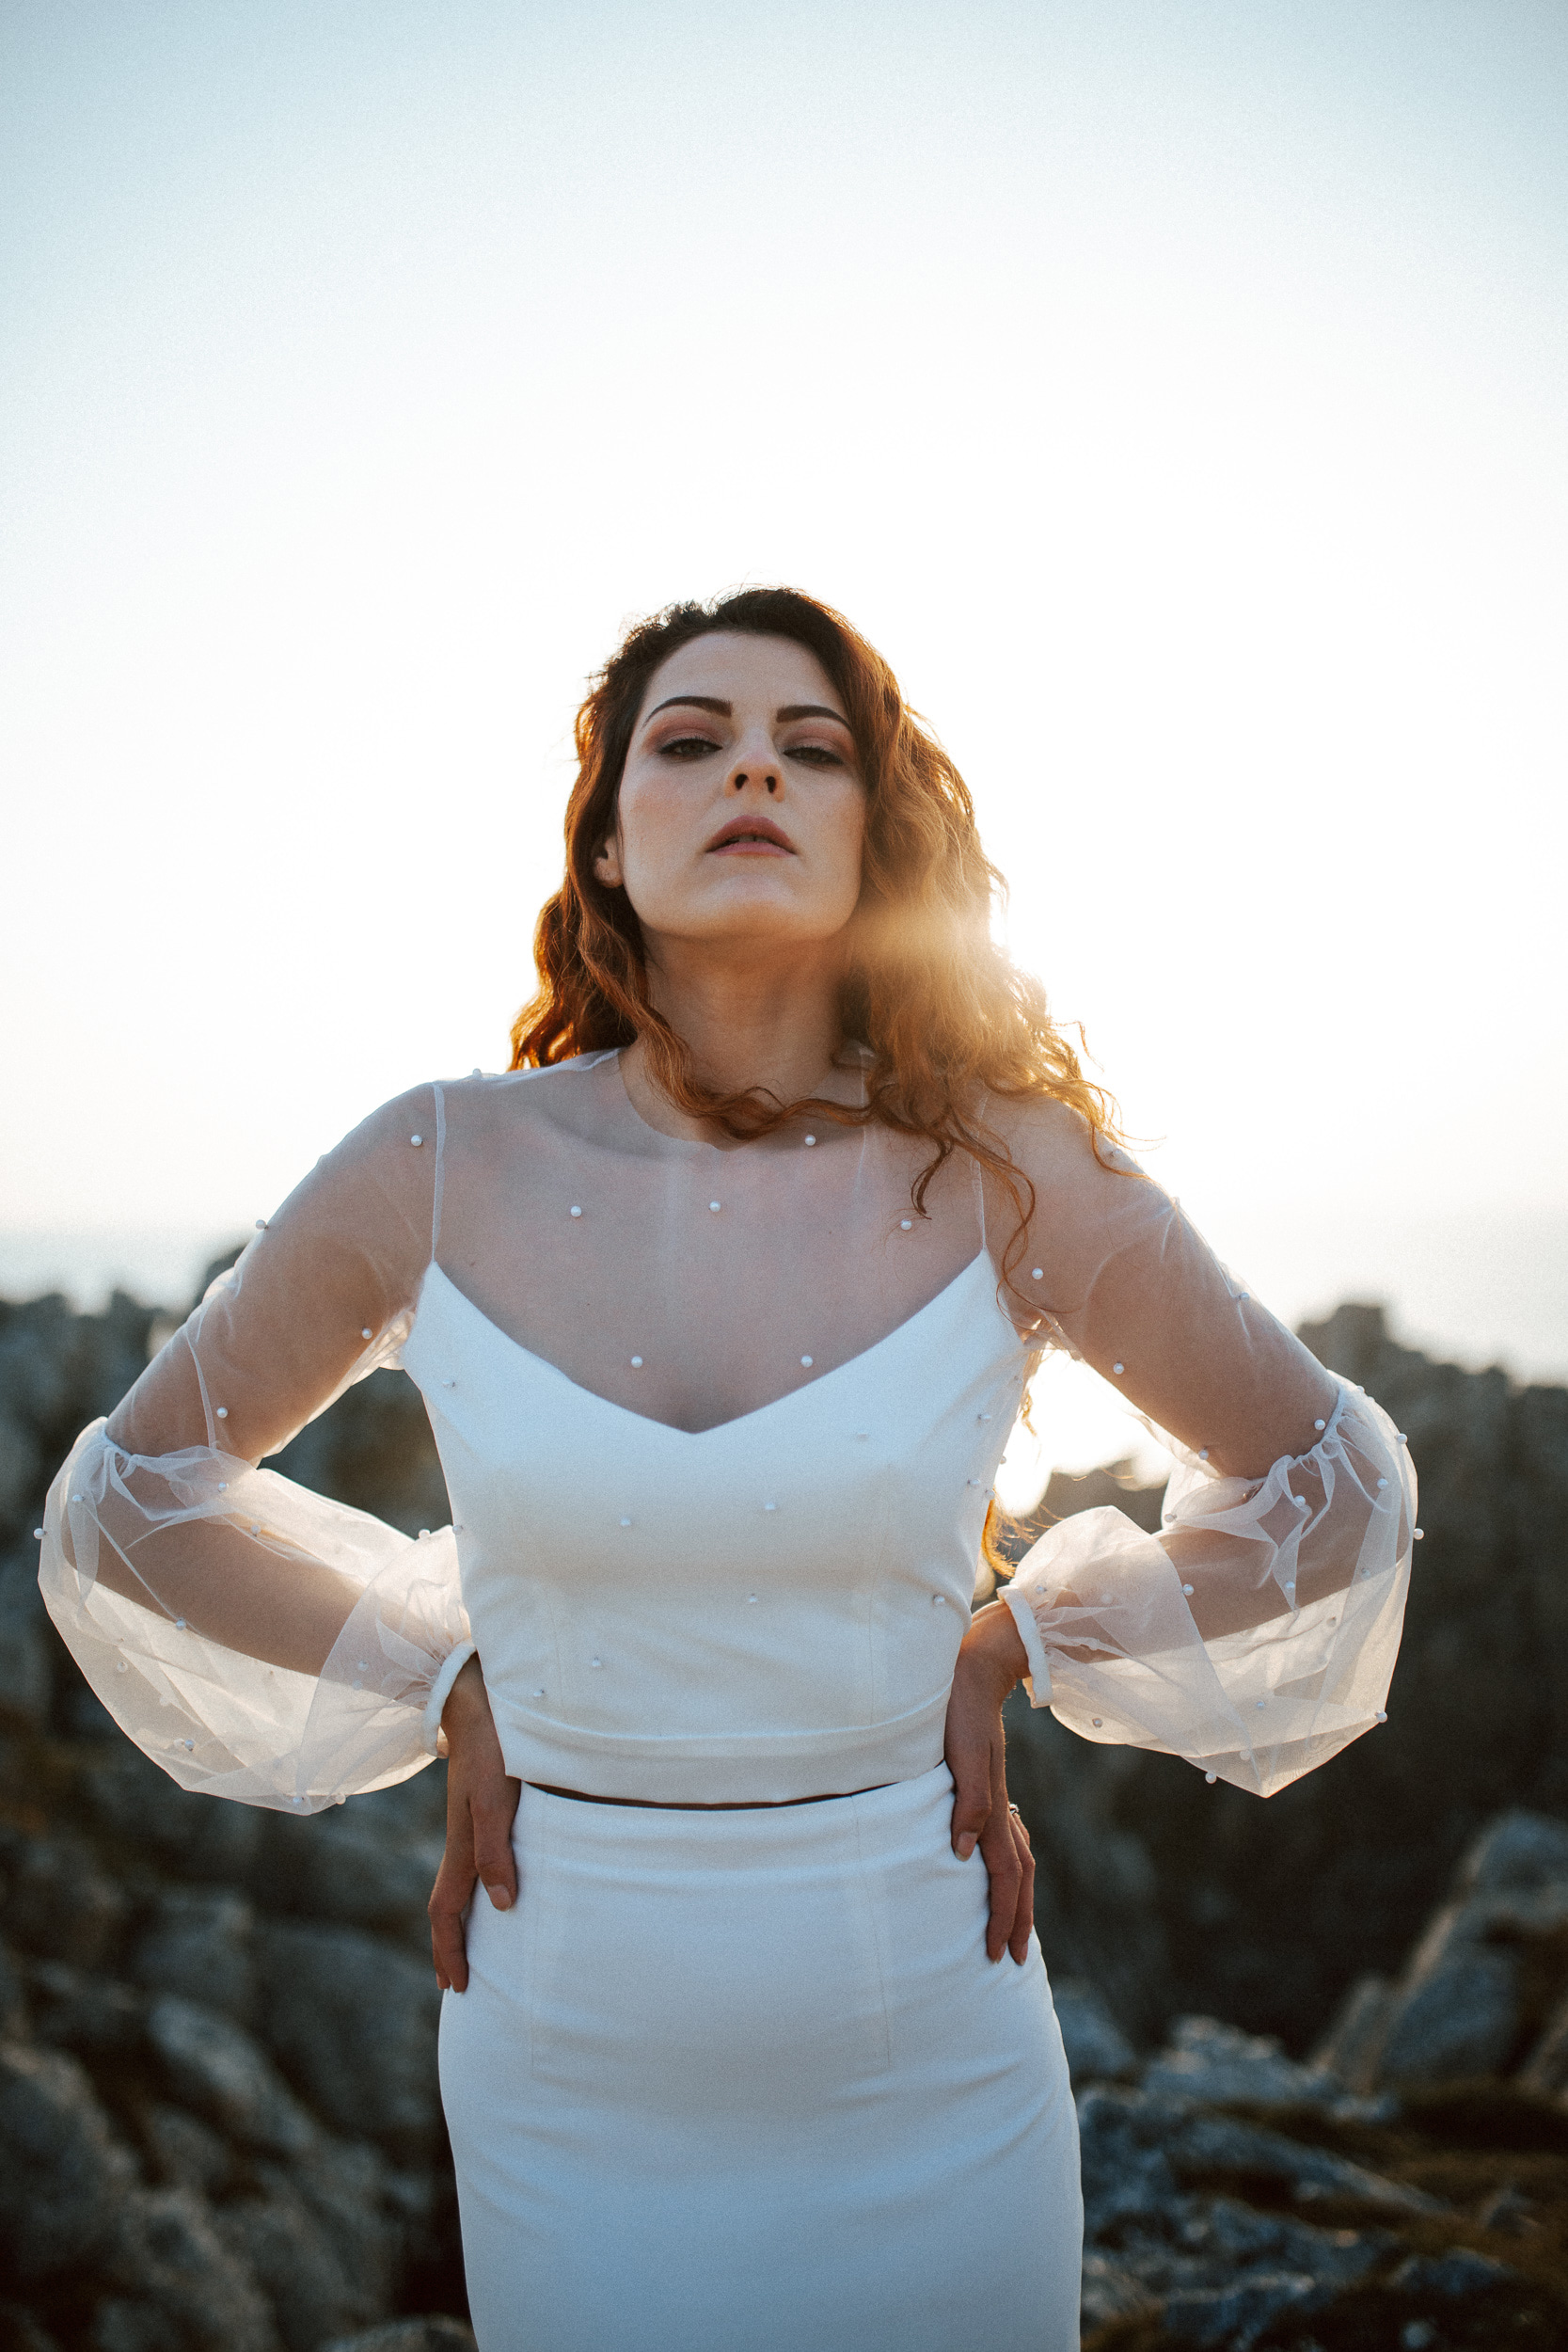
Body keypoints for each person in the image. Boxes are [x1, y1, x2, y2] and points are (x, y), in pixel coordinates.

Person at [38, 587, 1418, 2352]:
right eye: (689, 743)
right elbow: (127, 1509)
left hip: (929, 2040)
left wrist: (1023, 1645)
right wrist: (444, 1676)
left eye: (810, 747)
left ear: (871, 838)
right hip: (565, 2059)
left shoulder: (1010, 1171)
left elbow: (1339, 1489)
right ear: (610, 842)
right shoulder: (432, 1165)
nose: (751, 765)